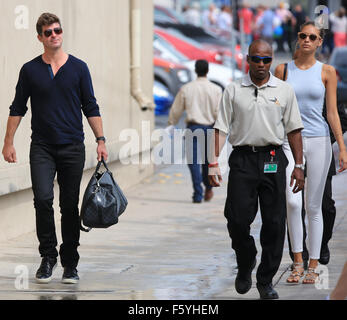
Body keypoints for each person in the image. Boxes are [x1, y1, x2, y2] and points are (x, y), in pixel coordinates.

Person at [2, 13, 108, 284]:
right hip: (42, 148)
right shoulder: (30, 70)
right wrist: (8, 142)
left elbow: (91, 106)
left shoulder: (79, 68)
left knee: (69, 206)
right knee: (42, 199)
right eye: (48, 32)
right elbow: (17, 107)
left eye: (57, 30)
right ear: (40, 37)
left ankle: (70, 263)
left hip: (73, 147)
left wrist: (101, 140)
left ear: (62, 33)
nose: (54, 35)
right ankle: (48, 257)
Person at [209, 39, 305, 299]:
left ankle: (265, 280)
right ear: (247, 60)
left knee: (275, 223)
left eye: (266, 60)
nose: (261, 64)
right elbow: (221, 127)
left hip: (273, 158)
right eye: (256, 59)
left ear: (271, 61)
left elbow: (294, 129)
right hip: (243, 160)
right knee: (237, 219)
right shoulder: (232, 90)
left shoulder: (284, 90)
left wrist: (299, 166)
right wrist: (212, 162)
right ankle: (246, 259)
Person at [274, 21, 347, 285]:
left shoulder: (326, 71)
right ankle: (297, 262)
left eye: (312, 37)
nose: (306, 39)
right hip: (288, 141)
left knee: (313, 206)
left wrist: (342, 147)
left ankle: (313, 265)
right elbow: (275, 109)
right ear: (298, 38)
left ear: (319, 42)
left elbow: (332, 113)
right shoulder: (283, 70)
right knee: (292, 203)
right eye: (302, 35)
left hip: (318, 141)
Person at [168, 60, 222, 203]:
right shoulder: (216, 89)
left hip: (193, 128)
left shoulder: (187, 88)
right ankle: (208, 188)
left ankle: (198, 193)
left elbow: (176, 109)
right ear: (207, 70)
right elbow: (219, 112)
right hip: (210, 128)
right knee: (207, 161)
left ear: (195, 70)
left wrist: (172, 123)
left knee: (193, 163)